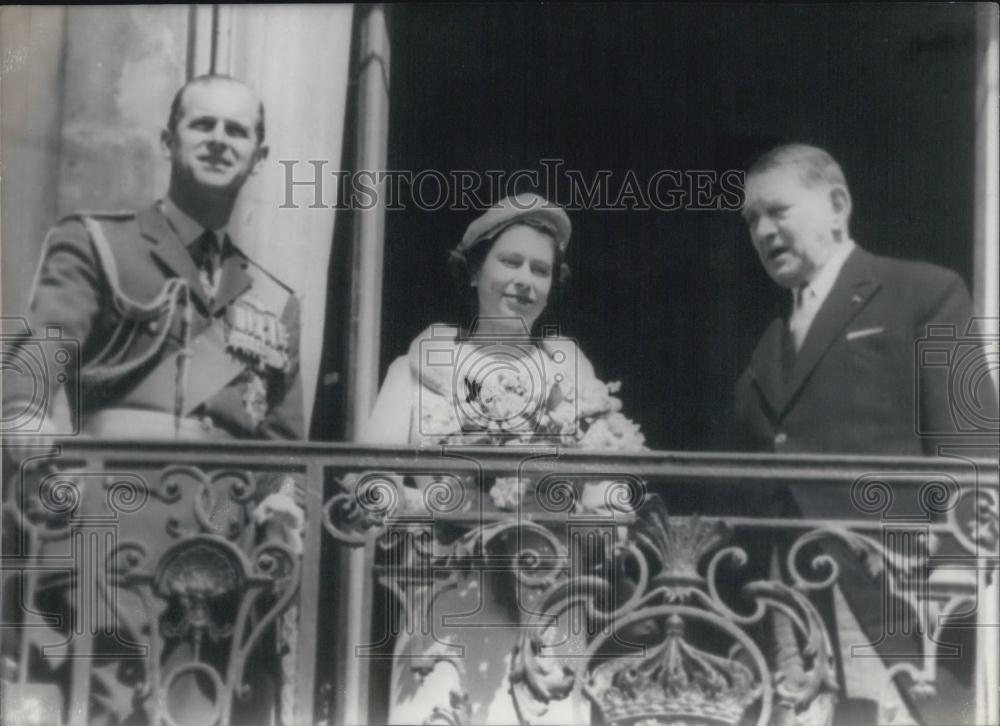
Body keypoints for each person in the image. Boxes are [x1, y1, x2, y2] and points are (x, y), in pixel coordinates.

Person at [2, 74, 304, 726]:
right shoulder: (97, 243)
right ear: (168, 139)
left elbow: (284, 445)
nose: (220, 141)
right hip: (113, 525)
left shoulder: (275, 301)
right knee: (110, 709)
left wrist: (283, 515)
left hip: (225, 540)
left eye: (238, 131)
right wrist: (27, 410)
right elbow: (46, 345)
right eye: (203, 125)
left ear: (260, 154)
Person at [733, 143, 997, 725]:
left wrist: (959, 561)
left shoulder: (922, 292)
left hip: (897, 593)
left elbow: (973, 439)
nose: (762, 231)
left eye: (776, 210)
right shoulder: (768, 341)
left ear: (836, 205)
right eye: (752, 220)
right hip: (787, 599)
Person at [360, 193, 643, 724]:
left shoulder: (570, 370)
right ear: (472, 272)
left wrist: (603, 509)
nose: (524, 280)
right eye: (509, 262)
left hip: (547, 596)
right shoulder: (419, 367)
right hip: (448, 597)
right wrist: (443, 506)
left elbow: (608, 473)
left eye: (540, 270)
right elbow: (369, 486)